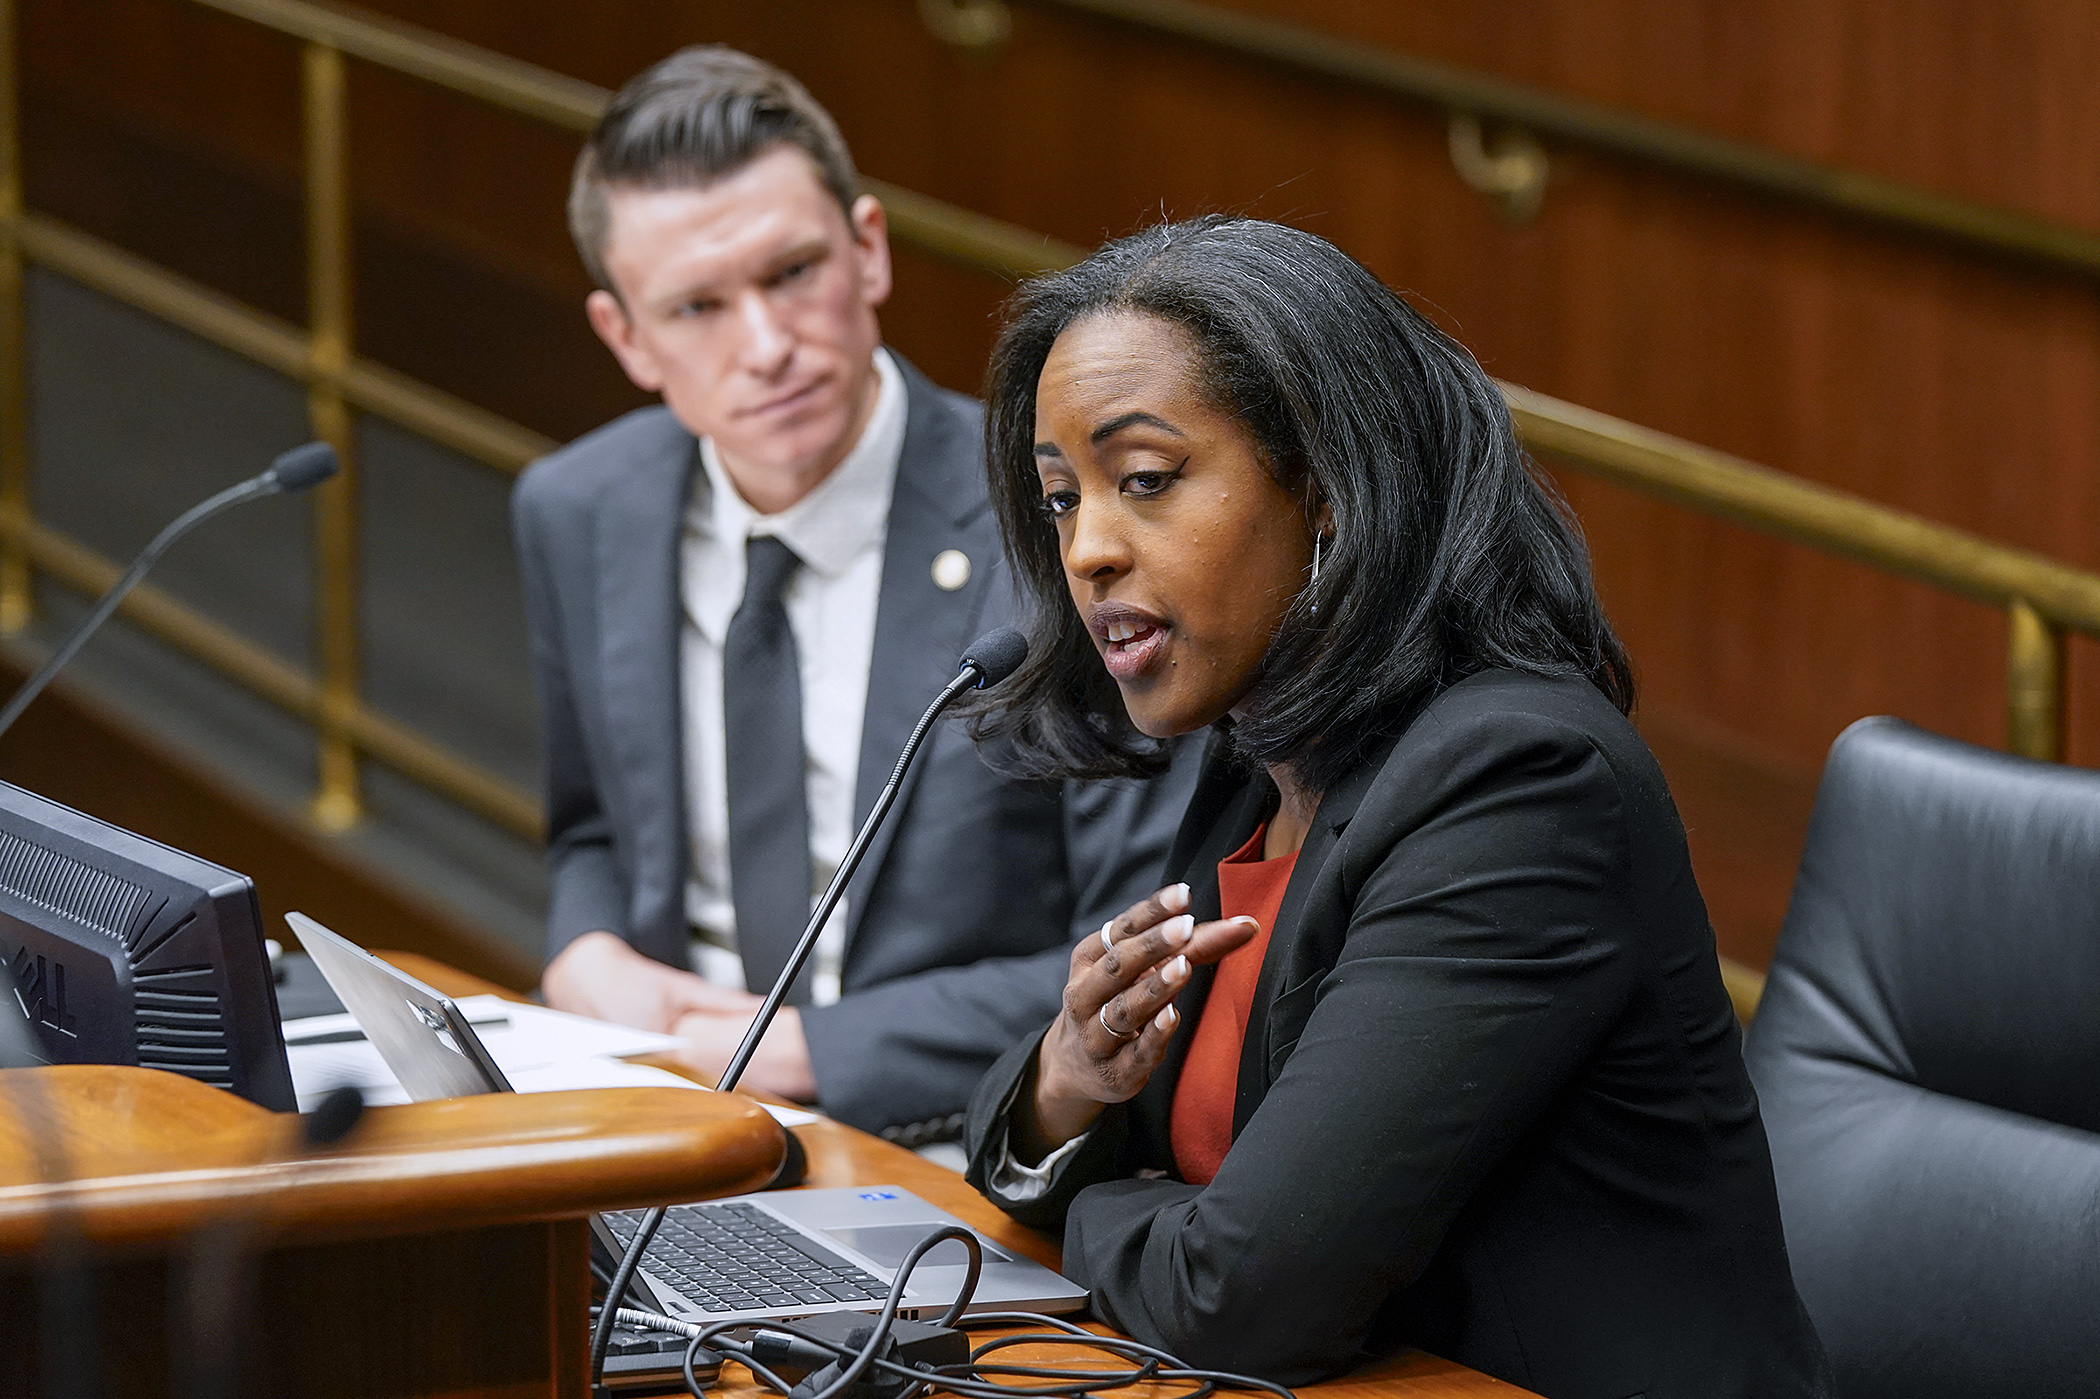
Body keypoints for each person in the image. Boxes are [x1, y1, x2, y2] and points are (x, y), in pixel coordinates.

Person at [959, 217, 1834, 1398]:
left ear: (1326, 490)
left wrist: (1108, 1210)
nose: (1089, 550)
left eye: (1147, 481)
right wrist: (1071, 1075)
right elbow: (1135, 1186)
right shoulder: (1254, 765)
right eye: (1063, 500)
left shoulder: (1518, 782)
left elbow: (1247, 1295)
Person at [511, 48, 1193, 1139]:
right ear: (626, 338)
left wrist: (809, 1050)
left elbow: (1143, 943)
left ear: (868, 250)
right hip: (663, 1109)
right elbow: (589, 830)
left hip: (945, 1133)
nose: (769, 346)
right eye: (697, 307)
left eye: (791, 273)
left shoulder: (1065, 524)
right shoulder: (576, 507)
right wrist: (583, 948)